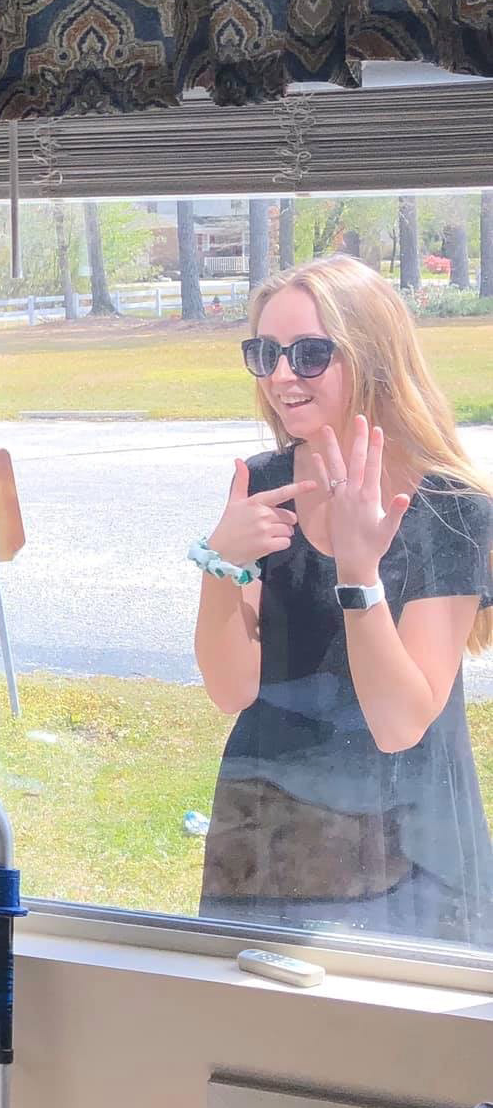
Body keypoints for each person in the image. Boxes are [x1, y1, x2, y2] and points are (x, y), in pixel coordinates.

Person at [192, 254, 493, 946]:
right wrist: (221, 564)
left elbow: (398, 723)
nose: (279, 376)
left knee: (393, 1048)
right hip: (268, 824)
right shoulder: (263, 485)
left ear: (373, 359)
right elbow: (229, 689)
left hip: (408, 841)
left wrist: (360, 572)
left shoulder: (449, 508)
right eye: (264, 353)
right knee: (254, 1039)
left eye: (309, 354)